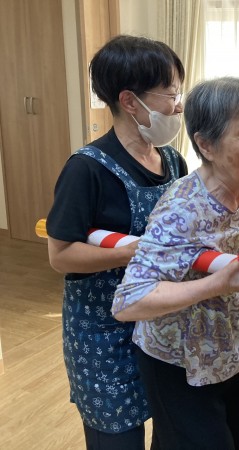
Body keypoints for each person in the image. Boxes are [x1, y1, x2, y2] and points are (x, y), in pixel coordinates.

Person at [111, 77, 239, 450]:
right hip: (178, 361)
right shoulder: (182, 210)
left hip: (234, 346)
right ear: (206, 145)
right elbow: (128, 301)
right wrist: (220, 282)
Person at [46, 35, 187, 449]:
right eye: (170, 95)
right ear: (130, 101)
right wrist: (130, 252)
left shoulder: (173, 160)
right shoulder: (86, 169)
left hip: (161, 326)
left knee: (172, 433)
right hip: (103, 337)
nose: (178, 106)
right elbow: (60, 254)